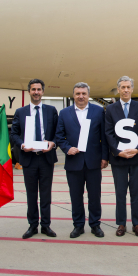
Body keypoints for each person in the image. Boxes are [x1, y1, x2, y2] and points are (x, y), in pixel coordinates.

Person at [55, 82, 109, 238]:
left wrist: (104, 157)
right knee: (76, 196)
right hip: (74, 162)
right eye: (78, 93)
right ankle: (78, 225)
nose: (81, 96)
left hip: (93, 161)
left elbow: (103, 136)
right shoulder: (64, 113)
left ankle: (95, 224)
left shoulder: (98, 111)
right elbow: (59, 136)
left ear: (88, 95)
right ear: (73, 95)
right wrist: (67, 148)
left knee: (95, 196)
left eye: (84, 93)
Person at [11, 79, 58, 239]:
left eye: (39, 89)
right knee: (31, 195)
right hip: (29, 158)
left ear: (43, 91)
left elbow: (58, 133)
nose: (36, 92)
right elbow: (14, 134)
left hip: (46, 158)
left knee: (45, 194)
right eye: (33, 89)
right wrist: (22, 145)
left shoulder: (51, 110)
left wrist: (53, 143)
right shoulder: (21, 112)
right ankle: (32, 225)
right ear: (29, 91)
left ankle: (46, 225)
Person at [105, 76, 138, 237]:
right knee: (120, 193)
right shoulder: (110, 109)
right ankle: (121, 224)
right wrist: (117, 152)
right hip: (118, 158)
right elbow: (108, 133)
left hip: (137, 158)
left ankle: (137, 223)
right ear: (118, 89)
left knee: (136, 193)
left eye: (128, 87)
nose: (125, 90)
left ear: (132, 89)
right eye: (122, 87)